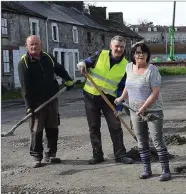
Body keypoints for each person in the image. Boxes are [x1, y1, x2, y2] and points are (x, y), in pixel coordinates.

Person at [114, 42, 171, 181]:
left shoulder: (152, 70)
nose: (141, 55)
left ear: (147, 55)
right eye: (138, 52)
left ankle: (166, 171)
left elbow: (155, 93)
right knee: (141, 141)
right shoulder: (129, 67)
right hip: (134, 110)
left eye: (144, 53)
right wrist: (122, 97)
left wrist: (144, 107)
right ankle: (147, 169)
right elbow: (128, 85)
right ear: (133, 54)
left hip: (153, 111)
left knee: (157, 140)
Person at [76, 35, 134, 165]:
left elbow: (122, 88)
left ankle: (120, 155)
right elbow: (87, 61)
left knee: (115, 126)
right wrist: (83, 63)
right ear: (111, 46)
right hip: (90, 96)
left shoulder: (126, 66)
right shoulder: (100, 55)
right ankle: (97, 155)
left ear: (124, 48)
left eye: (121, 47)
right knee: (94, 127)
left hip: (110, 99)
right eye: (116, 46)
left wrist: (119, 107)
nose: (119, 49)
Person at [18, 35, 74, 168]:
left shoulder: (48, 57)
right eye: (31, 44)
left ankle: (51, 154)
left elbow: (59, 68)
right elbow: (24, 87)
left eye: (36, 44)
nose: (34, 47)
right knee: (36, 130)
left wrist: (68, 79)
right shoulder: (24, 62)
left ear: (40, 45)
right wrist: (28, 106)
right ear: (27, 46)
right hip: (36, 102)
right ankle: (37, 156)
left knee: (53, 127)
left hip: (52, 98)